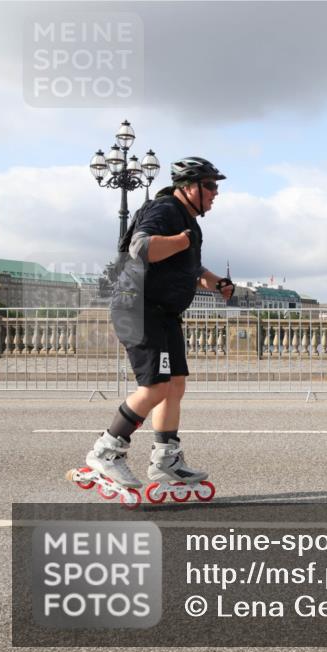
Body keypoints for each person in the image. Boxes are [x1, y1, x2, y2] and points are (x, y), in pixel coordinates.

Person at [82, 157, 233, 496]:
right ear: (188, 187)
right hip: (138, 308)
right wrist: (180, 241)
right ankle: (105, 451)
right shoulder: (165, 210)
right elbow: (140, 247)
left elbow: (192, 270)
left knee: (175, 385)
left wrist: (217, 282)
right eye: (210, 185)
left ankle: (166, 459)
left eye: (216, 186)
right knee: (155, 388)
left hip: (164, 313)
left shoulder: (189, 223)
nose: (215, 193)